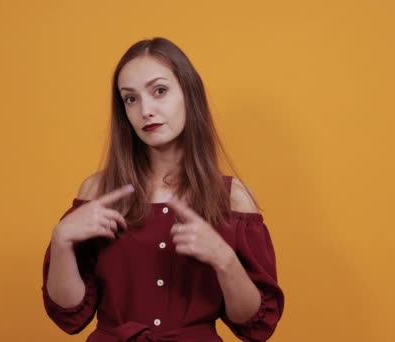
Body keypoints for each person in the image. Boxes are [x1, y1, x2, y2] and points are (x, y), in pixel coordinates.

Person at [42, 37, 284, 342]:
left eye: (159, 91)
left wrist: (225, 259)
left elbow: (254, 324)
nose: (146, 110)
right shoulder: (97, 191)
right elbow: (70, 312)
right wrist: (61, 239)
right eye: (130, 98)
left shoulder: (233, 198)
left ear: (189, 94)